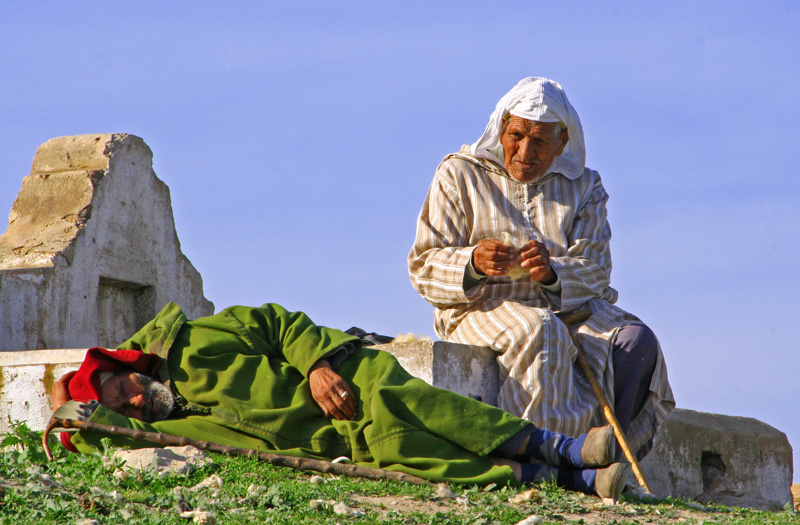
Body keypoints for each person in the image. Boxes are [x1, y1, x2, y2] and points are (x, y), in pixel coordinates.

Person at [51, 301, 631, 499]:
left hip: (347, 382)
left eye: (120, 386)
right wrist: (63, 397)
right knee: (418, 457)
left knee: (423, 408)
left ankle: (567, 448)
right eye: (118, 405)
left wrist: (317, 368)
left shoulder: (194, 340)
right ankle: (573, 481)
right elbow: (81, 438)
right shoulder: (162, 431)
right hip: (330, 440)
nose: (131, 401)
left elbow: (279, 323)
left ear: (127, 366)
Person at [408, 77, 675, 458]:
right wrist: (474, 263)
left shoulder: (585, 186)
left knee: (635, 342)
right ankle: (548, 461)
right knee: (540, 329)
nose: (525, 151)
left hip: (570, 309)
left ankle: (604, 456)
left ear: (562, 143)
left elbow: (596, 269)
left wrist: (552, 273)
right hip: (479, 308)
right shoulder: (459, 174)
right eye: (516, 136)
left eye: (540, 141)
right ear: (502, 129)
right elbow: (423, 265)